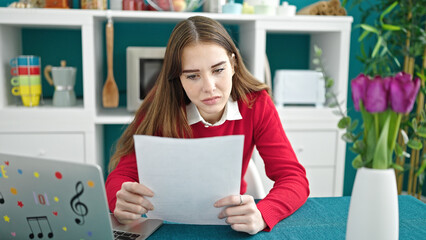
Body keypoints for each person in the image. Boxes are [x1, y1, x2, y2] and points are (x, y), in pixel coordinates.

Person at [105, 15, 309, 235]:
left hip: (230, 225)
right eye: (193, 76)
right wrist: (120, 199)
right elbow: (120, 176)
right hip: (167, 227)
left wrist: (263, 213)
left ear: (232, 64)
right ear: (178, 79)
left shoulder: (256, 104)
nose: (209, 87)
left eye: (218, 70)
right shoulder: (159, 107)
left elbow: (294, 178)